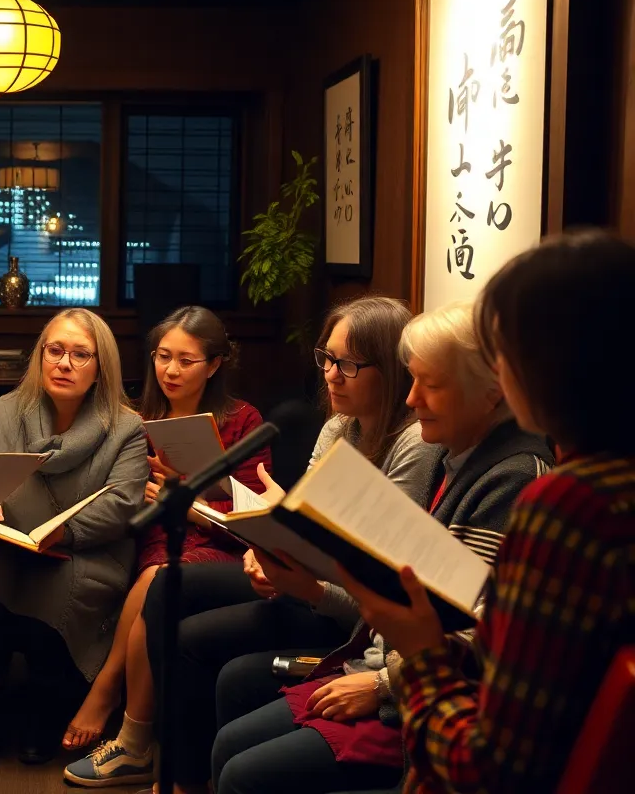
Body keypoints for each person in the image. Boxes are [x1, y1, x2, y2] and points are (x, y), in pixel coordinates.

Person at [210, 300, 554, 794]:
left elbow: (476, 633)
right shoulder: (457, 453)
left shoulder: (513, 476)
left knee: (244, 770)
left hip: (423, 700)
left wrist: (380, 685)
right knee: (231, 737)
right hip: (386, 663)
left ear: (492, 392)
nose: (412, 400)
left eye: (429, 385)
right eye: (411, 380)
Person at [340, 233, 635, 793]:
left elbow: (487, 769)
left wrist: (421, 651)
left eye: (505, 354)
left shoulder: (572, 504)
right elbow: (537, 653)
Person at [122, 296, 441, 793]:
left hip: (344, 602)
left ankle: (184, 776)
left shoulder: (414, 444)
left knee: (193, 641)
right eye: (327, 359)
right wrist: (267, 544)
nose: (331, 374)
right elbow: (304, 519)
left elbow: (375, 566)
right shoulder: (338, 427)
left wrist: (295, 564)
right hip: (308, 576)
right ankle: (173, 775)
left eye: (348, 364)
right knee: (167, 585)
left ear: (393, 371)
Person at [62, 307, 272, 764]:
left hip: (216, 542)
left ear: (214, 364)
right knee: (151, 571)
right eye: (162, 357)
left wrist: (189, 502)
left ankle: (119, 716)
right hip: (145, 534)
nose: (170, 371)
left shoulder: (242, 420)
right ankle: (129, 728)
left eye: (185, 360)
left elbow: (258, 517)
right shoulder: (136, 416)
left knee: (157, 580)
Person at [0, 308, 150, 775]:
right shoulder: (6, 411)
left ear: (100, 366)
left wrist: (67, 532)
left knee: (63, 583)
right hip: (7, 544)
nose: (64, 363)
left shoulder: (125, 427)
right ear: (41, 356)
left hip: (83, 552)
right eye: (55, 350)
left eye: (80, 354)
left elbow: (126, 501)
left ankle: (43, 712)